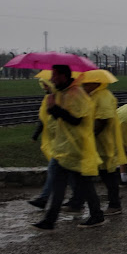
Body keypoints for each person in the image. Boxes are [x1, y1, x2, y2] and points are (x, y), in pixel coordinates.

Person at [31, 65, 105, 230]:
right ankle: (50, 220)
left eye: (55, 76)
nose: (51, 79)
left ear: (63, 76)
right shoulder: (62, 93)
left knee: (84, 183)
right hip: (63, 147)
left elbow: (75, 120)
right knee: (59, 183)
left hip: (76, 147)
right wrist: (52, 107)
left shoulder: (76, 94)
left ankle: (96, 215)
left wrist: (54, 108)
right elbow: (59, 119)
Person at [80, 70, 127, 216]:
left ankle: (114, 204)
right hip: (98, 143)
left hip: (105, 143)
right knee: (105, 173)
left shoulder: (104, 96)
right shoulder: (94, 96)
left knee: (108, 173)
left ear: (96, 83)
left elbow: (103, 120)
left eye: (86, 84)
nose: (84, 86)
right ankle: (110, 202)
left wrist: (89, 136)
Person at [27, 78, 58, 209]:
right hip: (57, 141)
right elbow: (43, 119)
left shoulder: (62, 98)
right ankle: (77, 201)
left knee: (55, 169)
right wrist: (35, 135)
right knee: (65, 173)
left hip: (65, 142)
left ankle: (45, 199)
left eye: (46, 82)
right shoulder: (49, 98)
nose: (44, 85)